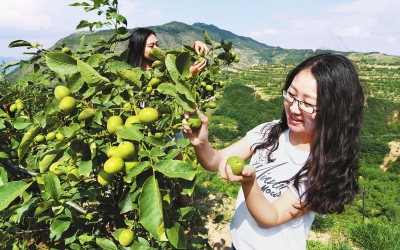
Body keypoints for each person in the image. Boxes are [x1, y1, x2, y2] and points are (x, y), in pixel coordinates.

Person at [182, 53, 364, 249]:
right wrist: (201, 143)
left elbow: (271, 216)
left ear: (334, 111)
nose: (294, 108)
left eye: (308, 104)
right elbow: (216, 161)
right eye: (291, 95)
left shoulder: (323, 166)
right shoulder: (270, 131)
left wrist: (249, 183)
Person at [126, 27, 208, 74]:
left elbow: (179, 58)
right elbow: (143, 103)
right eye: (151, 46)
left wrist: (195, 44)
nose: (156, 48)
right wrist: (189, 74)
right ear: (139, 48)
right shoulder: (135, 75)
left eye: (157, 45)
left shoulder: (162, 65)